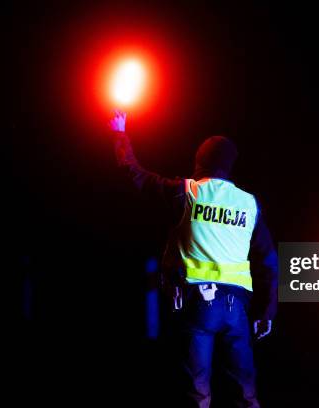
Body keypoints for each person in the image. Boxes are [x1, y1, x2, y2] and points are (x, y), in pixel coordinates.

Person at [110, 111, 278, 407]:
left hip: (197, 305)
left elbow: (132, 173)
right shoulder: (248, 203)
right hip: (237, 309)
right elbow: (268, 262)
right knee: (245, 392)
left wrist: (120, 132)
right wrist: (267, 311)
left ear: (200, 160)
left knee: (197, 392)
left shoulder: (186, 192)